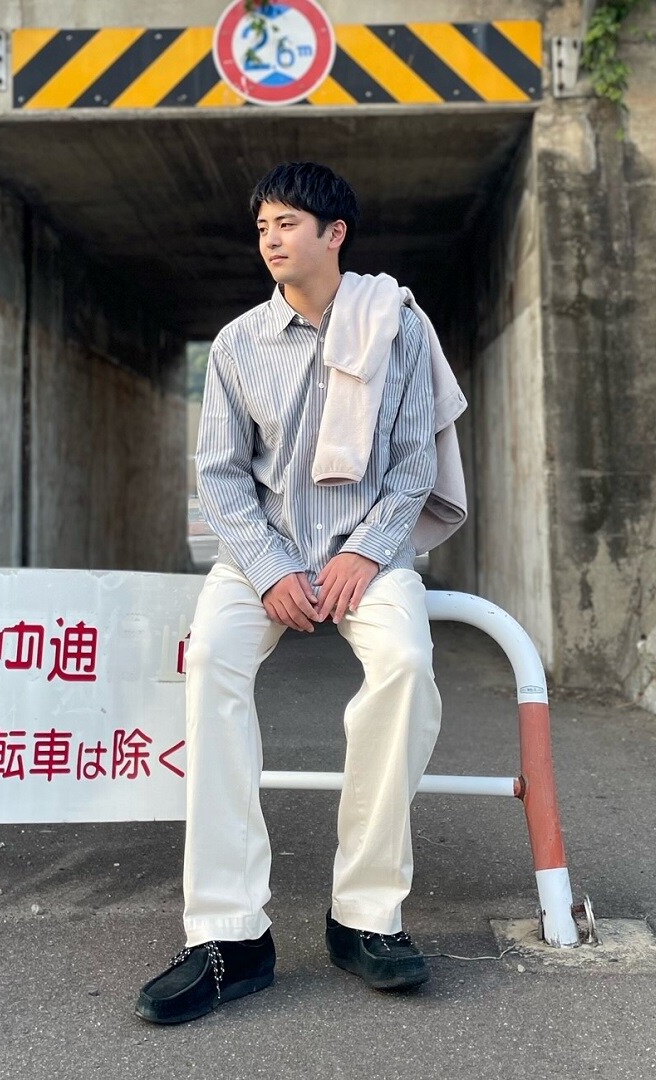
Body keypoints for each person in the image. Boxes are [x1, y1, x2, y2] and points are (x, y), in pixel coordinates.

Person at [136, 162, 460, 1025]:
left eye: (287, 223)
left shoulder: (397, 326)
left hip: (369, 553)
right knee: (211, 661)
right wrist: (272, 568)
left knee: (406, 666)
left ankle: (365, 917)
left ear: (333, 233)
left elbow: (413, 465)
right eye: (263, 228)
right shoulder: (238, 343)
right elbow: (219, 475)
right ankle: (230, 936)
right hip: (263, 555)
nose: (271, 240)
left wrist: (366, 554)